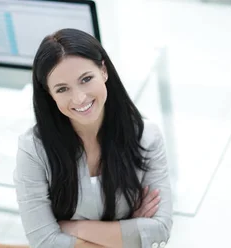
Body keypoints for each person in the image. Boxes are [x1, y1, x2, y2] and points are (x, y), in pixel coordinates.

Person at [13, 28, 173, 248]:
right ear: (50, 95)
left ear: (104, 71)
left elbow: (160, 228)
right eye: (62, 89)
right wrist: (129, 230)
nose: (79, 98)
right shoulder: (33, 150)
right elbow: (43, 241)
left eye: (86, 79)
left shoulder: (146, 137)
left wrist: (69, 227)